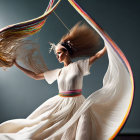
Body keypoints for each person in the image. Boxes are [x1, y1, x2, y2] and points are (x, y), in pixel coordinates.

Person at [0, 23, 107, 140]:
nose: (58, 56)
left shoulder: (79, 66)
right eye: (56, 54)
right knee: (42, 124)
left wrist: (108, 44)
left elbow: (97, 55)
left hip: (77, 103)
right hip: (60, 102)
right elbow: (35, 76)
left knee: (79, 129)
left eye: (59, 53)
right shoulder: (58, 72)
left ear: (66, 52)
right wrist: (17, 65)